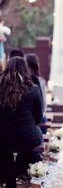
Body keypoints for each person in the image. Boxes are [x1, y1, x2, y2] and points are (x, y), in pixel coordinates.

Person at [0, 57, 43, 186]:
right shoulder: (34, 89)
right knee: (36, 134)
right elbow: (39, 117)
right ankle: (21, 170)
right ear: (25, 70)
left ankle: (9, 174)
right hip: (26, 137)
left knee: (5, 145)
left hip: (2, 136)